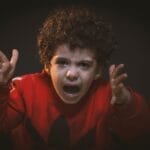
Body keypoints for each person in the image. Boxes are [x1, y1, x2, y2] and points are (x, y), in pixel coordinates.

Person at [0, 6, 150, 150]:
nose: (71, 74)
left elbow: (139, 132)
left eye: (84, 65)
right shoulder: (23, 89)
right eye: (62, 62)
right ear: (47, 65)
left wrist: (126, 103)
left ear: (97, 71)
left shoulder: (108, 96)